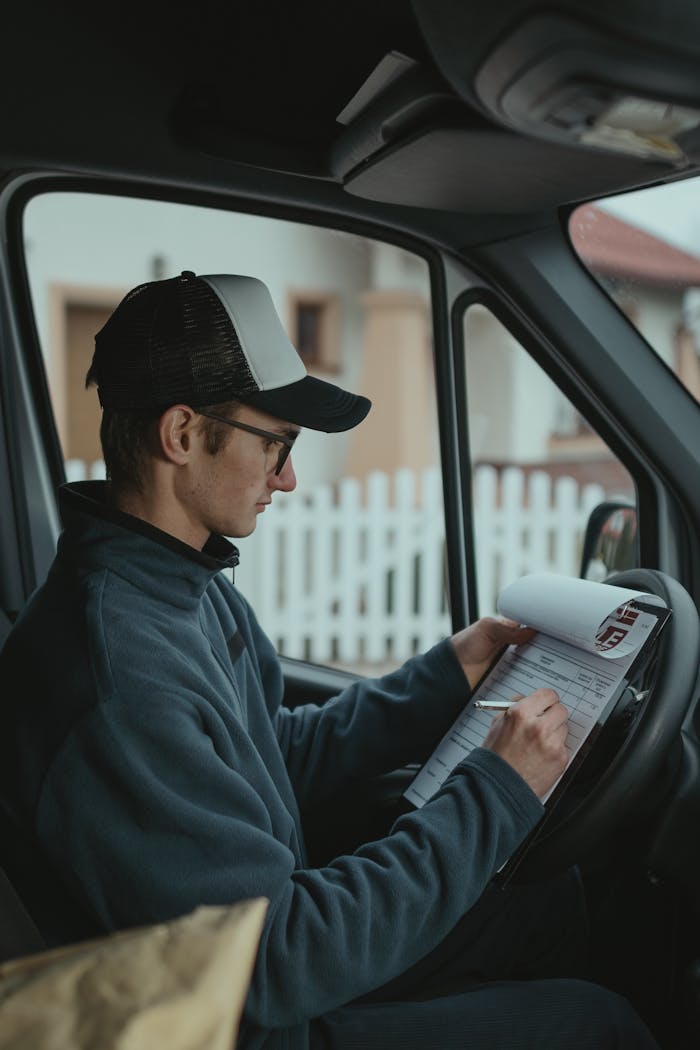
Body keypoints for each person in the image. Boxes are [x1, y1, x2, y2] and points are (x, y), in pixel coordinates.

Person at [0, 270, 659, 1049]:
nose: (288, 476)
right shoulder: (115, 676)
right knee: (600, 1024)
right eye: (274, 442)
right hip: (253, 1024)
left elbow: (272, 759)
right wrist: (497, 793)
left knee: (546, 904)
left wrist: (446, 675)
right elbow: (274, 962)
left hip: (272, 969)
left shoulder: (178, 583)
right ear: (180, 434)